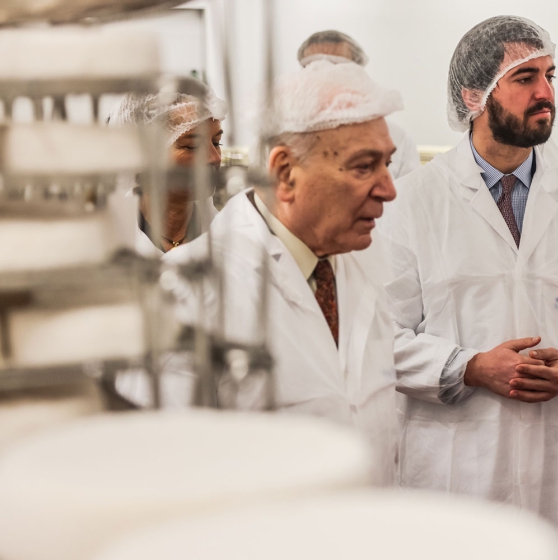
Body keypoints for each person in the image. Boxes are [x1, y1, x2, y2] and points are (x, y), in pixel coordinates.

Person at [381, 16, 558, 560]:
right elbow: (377, 336)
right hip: (455, 470)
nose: (546, 93)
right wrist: (469, 366)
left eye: (550, 75)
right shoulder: (412, 204)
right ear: (473, 94)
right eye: (525, 78)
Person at [162, 60, 403, 483]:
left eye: (387, 164)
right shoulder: (187, 290)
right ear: (285, 174)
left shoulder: (359, 258)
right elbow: (168, 474)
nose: (389, 188)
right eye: (365, 167)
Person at [108, 81, 226, 256]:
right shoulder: (110, 240)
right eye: (192, 146)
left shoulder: (226, 236)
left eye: (216, 143)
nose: (215, 158)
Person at [297, 30, 421, 180]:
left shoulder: (397, 140)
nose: (325, 77)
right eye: (315, 68)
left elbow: (408, 199)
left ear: (357, 75)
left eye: (337, 69)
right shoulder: (278, 139)